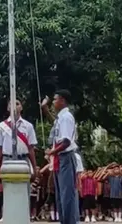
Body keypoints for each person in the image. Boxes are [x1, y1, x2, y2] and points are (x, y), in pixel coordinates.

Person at [46, 89, 78, 224]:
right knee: (60, 194)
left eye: (55, 99)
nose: (53, 102)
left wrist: (52, 152)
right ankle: (64, 220)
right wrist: (44, 108)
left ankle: (70, 221)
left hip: (65, 156)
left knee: (67, 195)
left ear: (62, 101)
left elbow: (66, 142)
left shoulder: (66, 117)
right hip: (60, 157)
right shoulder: (60, 118)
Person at [0, 100, 39, 178]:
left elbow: (31, 149)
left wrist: (35, 168)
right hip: (7, 160)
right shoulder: (1, 126)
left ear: (21, 107)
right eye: (11, 104)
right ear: (8, 108)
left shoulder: (28, 126)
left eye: (17, 104)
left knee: (24, 186)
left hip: (23, 160)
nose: (14, 106)